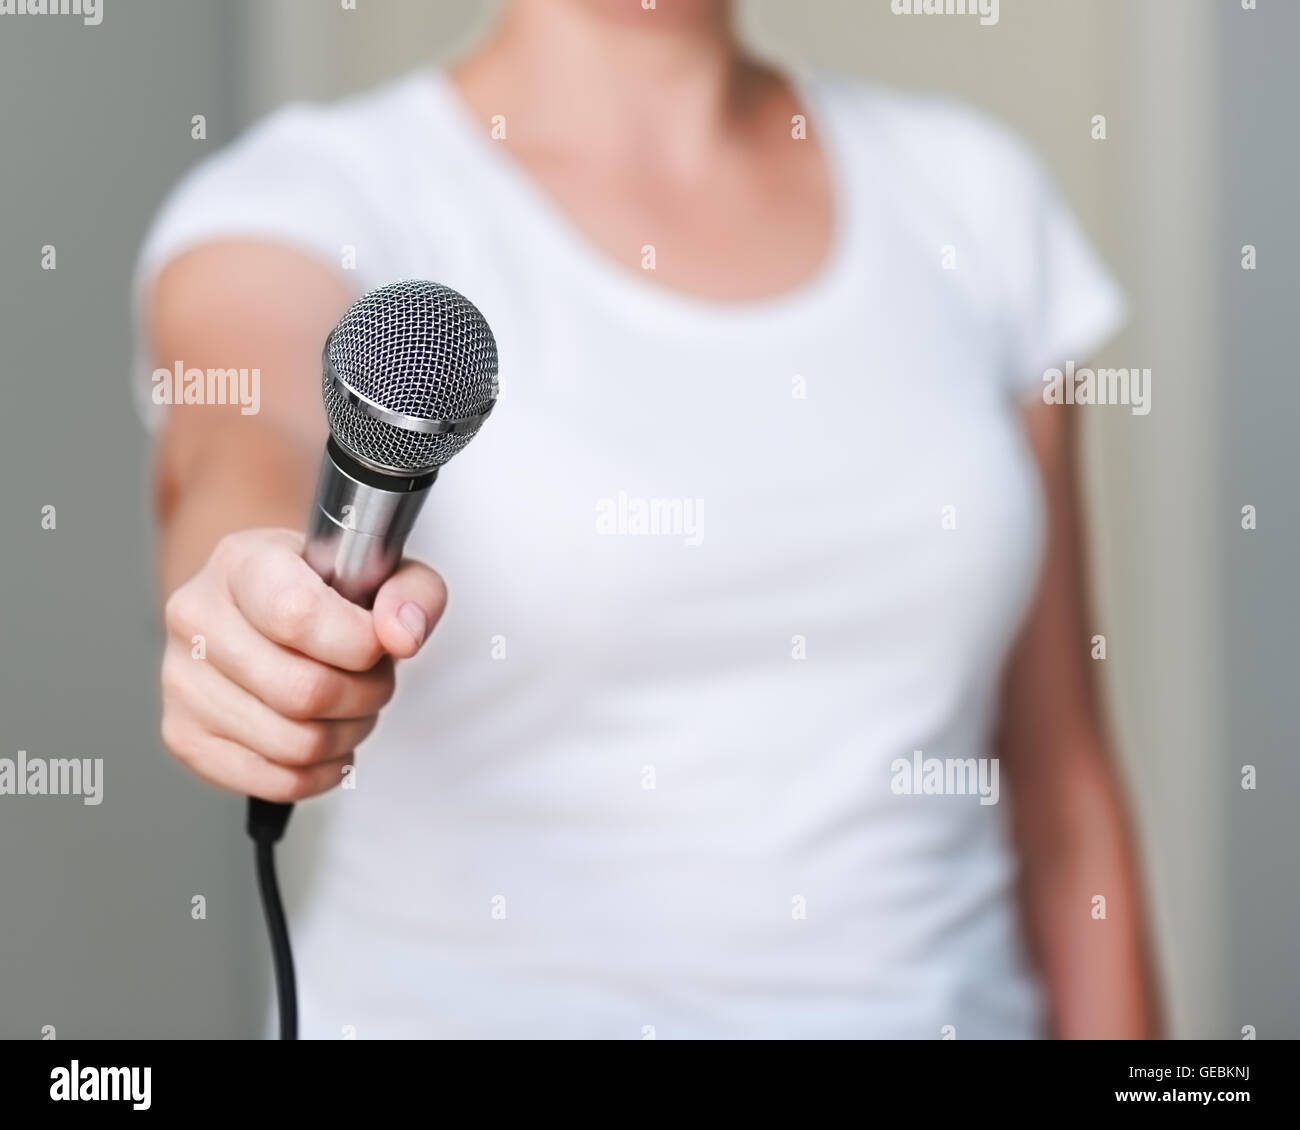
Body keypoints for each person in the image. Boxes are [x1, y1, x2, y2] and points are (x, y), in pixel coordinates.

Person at [136, 0, 1160, 1038]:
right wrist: (248, 601)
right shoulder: (311, 194)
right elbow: (241, 440)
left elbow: (1064, 799)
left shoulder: (973, 197)